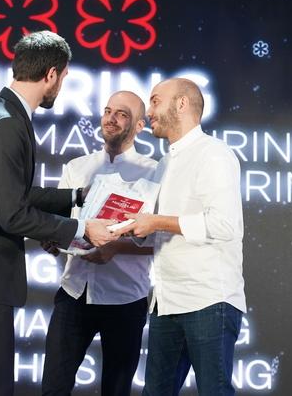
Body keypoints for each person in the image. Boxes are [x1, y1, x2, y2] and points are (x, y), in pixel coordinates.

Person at [0, 31, 116, 396]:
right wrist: (82, 229)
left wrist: (75, 196)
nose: (61, 86)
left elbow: (8, 193)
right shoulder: (8, 124)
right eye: (64, 77)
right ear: (51, 74)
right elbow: (11, 213)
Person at [118, 78, 246, 396]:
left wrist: (156, 222)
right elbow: (160, 231)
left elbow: (223, 224)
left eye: (155, 101)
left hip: (208, 299)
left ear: (182, 104)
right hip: (166, 301)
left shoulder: (214, 154)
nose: (149, 112)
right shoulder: (163, 164)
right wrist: (127, 229)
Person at [41, 91, 157, 396]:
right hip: (74, 292)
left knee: (116, 391)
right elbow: (59, 221)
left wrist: (116, 247)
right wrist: (51, 238)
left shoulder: (155, 173)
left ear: (140, 126)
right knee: (53, 389)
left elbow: (162, 239)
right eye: (107, 111)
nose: (111, 119)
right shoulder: (77, 167)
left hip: (125, 298)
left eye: (122, 114)